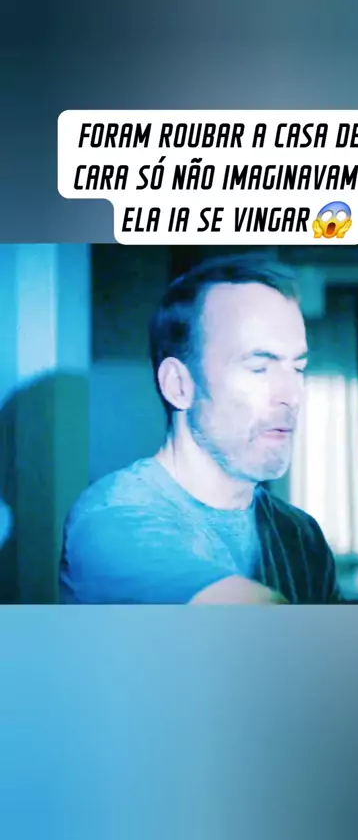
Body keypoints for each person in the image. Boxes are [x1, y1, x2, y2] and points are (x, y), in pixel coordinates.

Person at [59, 253, 340, 604]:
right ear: (179, 385)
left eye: (297, 368)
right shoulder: (111, 520)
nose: (292, 396)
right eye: (259, 368)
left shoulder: (300, 535)